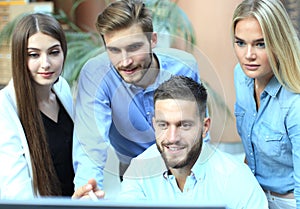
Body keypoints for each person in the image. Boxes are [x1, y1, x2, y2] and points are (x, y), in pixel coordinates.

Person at [73, 76, 268, 208]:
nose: (172, 138)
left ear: (205, 127)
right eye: (163, 125)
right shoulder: (140, 169)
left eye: (184, 125)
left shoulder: (236, 179)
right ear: (154, 124)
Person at [72, 0, 201, 191]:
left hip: (181, 169)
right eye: (114, 50)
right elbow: (91, 146)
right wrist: (86, 191)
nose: (125, 61)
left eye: (134, 48)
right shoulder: (95, 74)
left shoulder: (183, 67)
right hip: (133, 172)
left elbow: (195, 134)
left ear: (153, 40)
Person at [231, 0, 300, 208]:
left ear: (279, 43)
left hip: (286, 201)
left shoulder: (294, 104)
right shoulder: (240, 76)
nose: (248, 55)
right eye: (240, 43)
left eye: (261, 44)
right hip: (251, 193)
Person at [0, 13, 74, 199]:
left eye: (54, 52)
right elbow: (17, 190)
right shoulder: (5, 106)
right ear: (19, 58)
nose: (46, 64)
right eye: (34, 55)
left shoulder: (63, 88)